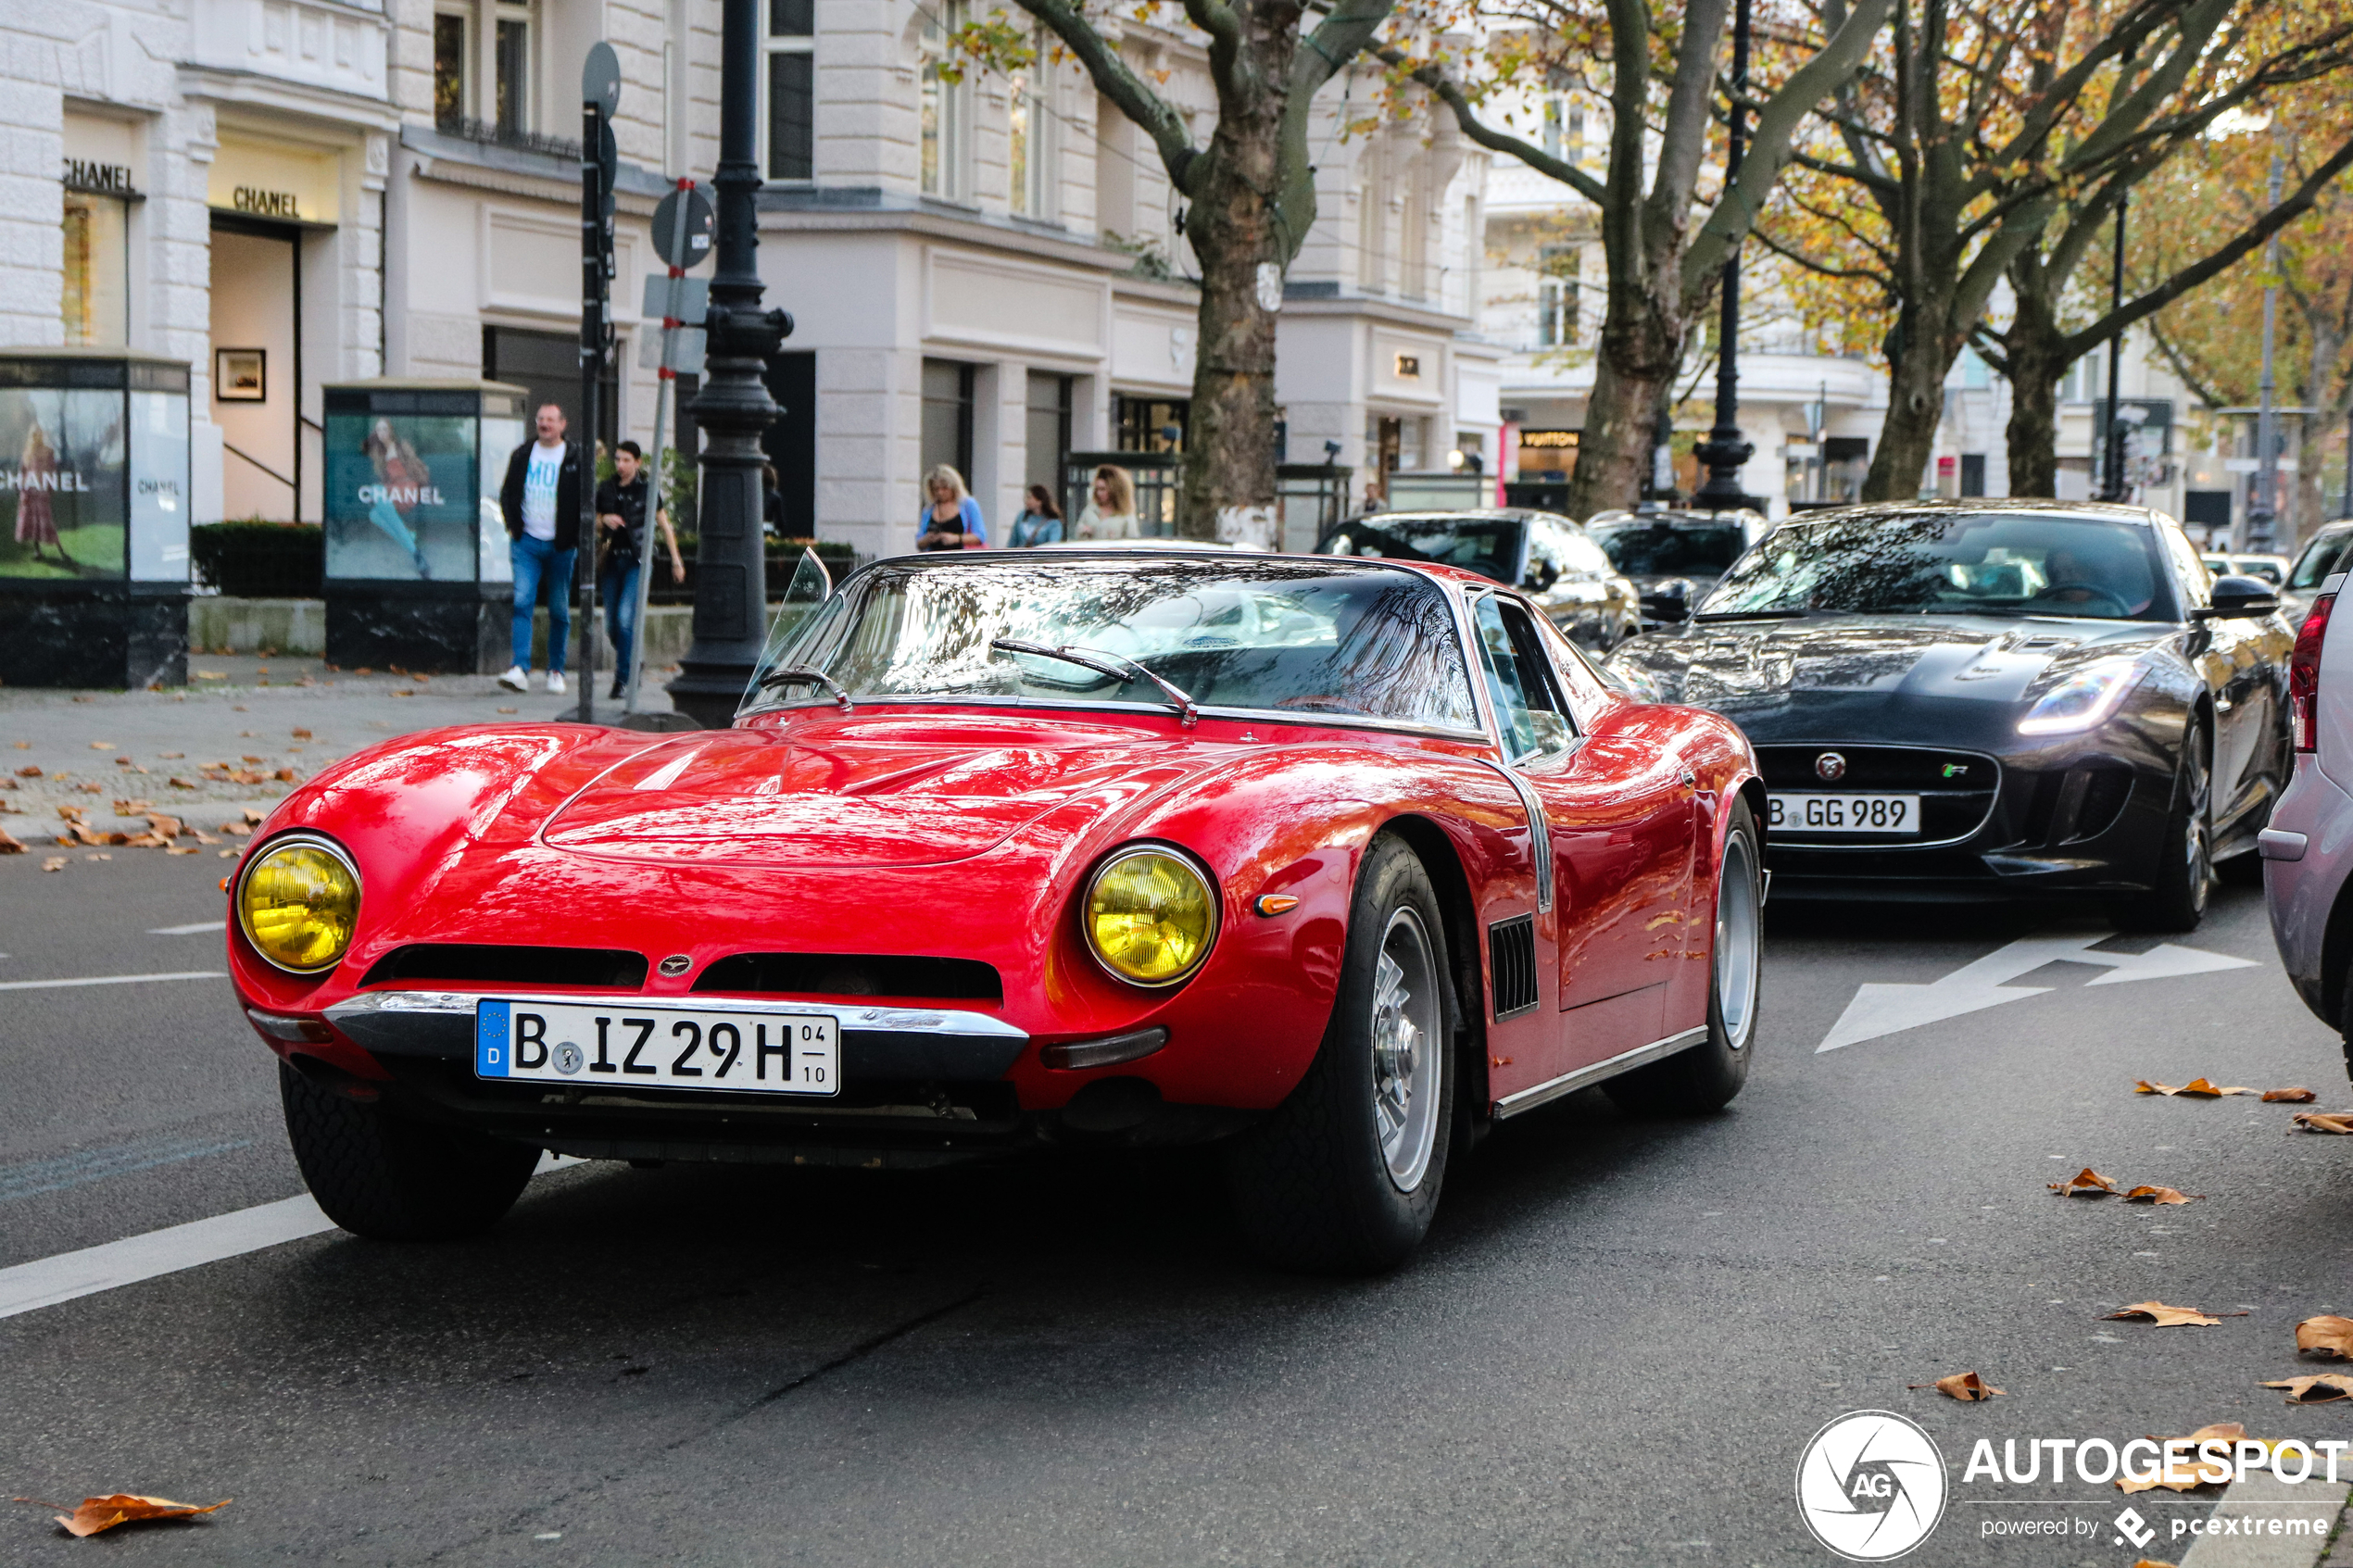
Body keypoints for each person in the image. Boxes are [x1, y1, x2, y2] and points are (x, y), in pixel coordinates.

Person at [497, 403, 584, 695]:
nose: (545, 424)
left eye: (551, 419)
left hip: (561, 544)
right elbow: (507, 492)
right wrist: (513, 527)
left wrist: (574, 535)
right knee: (522, 600)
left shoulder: (575, 457)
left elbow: (586, 498)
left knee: (559, 608)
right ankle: (520, 667)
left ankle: (556, 670)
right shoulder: (523, 454)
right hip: (527, 542)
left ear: (563, 424)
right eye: (540, 419)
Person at [595, 440, 687, 699]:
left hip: (638, 561)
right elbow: (592, 521)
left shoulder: (647, 490)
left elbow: (665, 526)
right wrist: (604, 519)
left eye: (626, 460)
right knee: (612, 625)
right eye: (617, 460)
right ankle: (634, 659)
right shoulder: (606, 488)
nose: (620, 465)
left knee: (626, 619)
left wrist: (676, 561)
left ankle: (623, 678)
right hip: (612, 561)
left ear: (638, 463)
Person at [361, 418, 432, 579]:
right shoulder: (380, 453)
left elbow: (416, 465)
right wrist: (373, 438)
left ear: (391, 430)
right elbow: (363, 448)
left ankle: (415, 551)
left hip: (408, 488)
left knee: (376, 493)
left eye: (385, 429)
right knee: (373, 515)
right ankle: (412, 544)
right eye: (378, 430)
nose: (382, 433)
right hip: (393, 491)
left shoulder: (402, 446)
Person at [13, 420, 66, 566]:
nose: (36, 437)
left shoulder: (48, 451)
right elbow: (22, 472)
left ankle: (61, 552)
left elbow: (52, 471)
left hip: (41, 492)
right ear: (31, 436)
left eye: (39, 434)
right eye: (34, 434)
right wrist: (20, 487)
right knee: (32, 523)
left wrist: (51, 488)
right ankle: (37, 551)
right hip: (29, 492)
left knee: (46, 522)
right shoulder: (27, 452)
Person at [916, 464, 986, 550]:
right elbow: (919, 542)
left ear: (954, 487)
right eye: (936, 489)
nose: (940, 492)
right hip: (935, 560)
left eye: (944, 488)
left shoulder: (968, 504)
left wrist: (956, 538)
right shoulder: (929, 509)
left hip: (961, 559)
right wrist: (928, 538)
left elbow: (980, 536)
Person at [1073, 465, 1139, 540]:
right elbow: (1077, 535)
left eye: (1103, 489)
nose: (1099, 493)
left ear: (1114, 490)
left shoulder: (1125, 516)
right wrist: (1084, 532)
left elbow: (1132, 541)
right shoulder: (1090, 511)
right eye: (1097, 489)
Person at [1008, 483, 1063, 547]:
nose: (1026, 500)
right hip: (1022, 555)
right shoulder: (1022, 516)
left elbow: (1053, 545)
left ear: (1039, 501)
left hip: (1039, 556)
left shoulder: (1053, 522)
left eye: (1029, 498)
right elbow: (1013, 540)